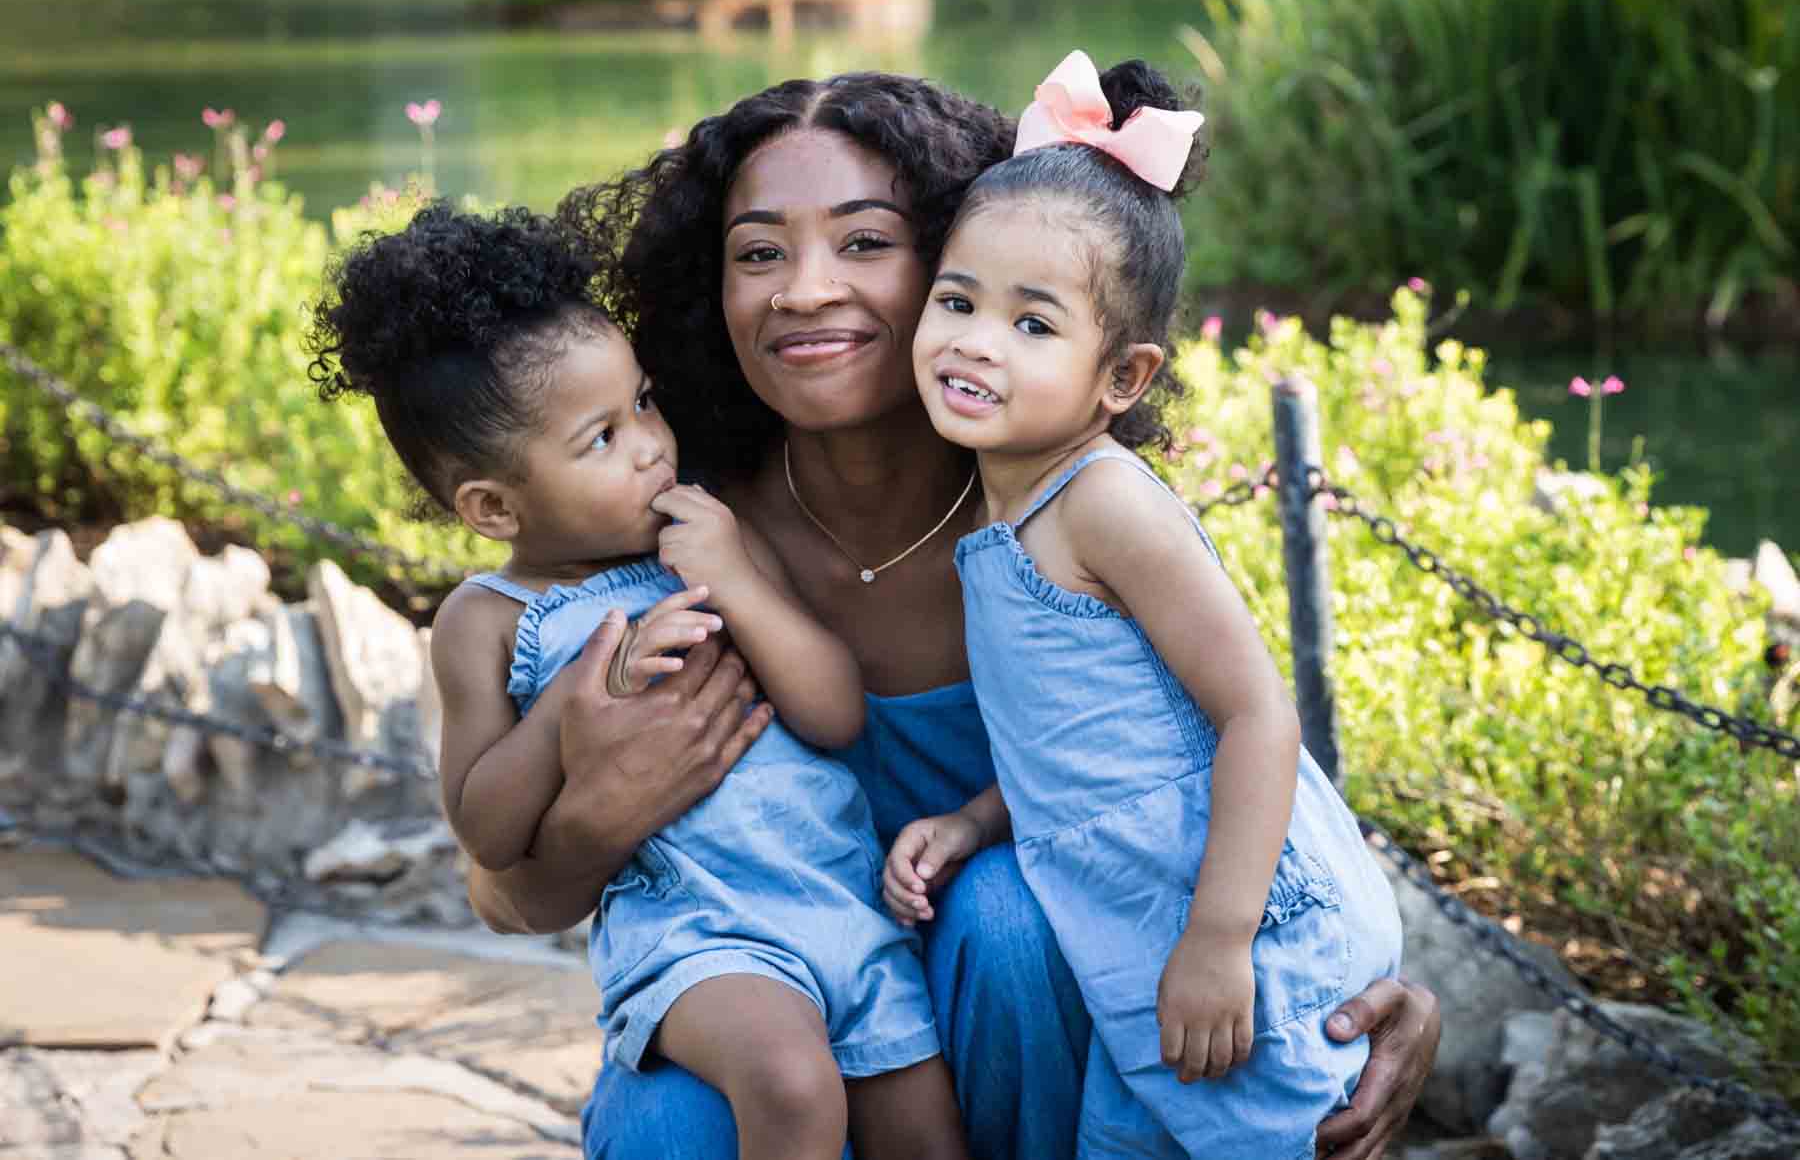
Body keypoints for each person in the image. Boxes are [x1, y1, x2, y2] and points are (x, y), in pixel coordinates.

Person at [465, 69, 1444, 1160]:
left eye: (866, 243)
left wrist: (1369, 984)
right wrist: (604, 802)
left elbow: (1219, 738)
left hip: (1033, 1022)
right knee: (675, 1121)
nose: (803, 289)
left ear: (955, 255)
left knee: (1006, 919)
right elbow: (503, 893)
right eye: (757, 253)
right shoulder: (659, 520)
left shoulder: (1062, 507)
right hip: (782, 1013)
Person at [306, 202, 970, 1160]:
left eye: (646, 402)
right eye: (602, 438)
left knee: (925, 1134)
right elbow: (489, 833)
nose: (653, 443)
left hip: (841, 902)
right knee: (790, 1087)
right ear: (493, 506)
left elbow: (832, 712)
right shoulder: (487, 620)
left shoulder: (702, 543)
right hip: (696, 934)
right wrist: (570, 713)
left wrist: (736, 578)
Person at [884, 50, 1405, 1158]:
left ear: (1121, 379)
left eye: (1034, 324)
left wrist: (1221, 937)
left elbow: (1259, 711)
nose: (977, 339)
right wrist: (974, 820)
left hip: (1239, 921)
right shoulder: (995, 511)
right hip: (1134, 929)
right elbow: (1081, 744)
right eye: (957, 300)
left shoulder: (1105, 501)